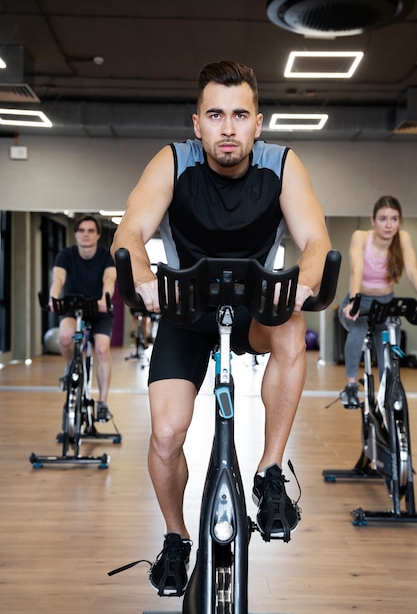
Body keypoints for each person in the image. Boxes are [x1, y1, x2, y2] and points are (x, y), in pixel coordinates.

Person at [111, 60, 331, 596]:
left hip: (255, 305)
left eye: (239, 114)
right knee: (166, 434)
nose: (227, 127)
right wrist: (141, 276)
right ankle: (176, 536)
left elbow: (316, 242)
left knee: (289, 326)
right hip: (186, 309)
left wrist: (303, 282)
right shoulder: (172, 162)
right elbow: (132, 228)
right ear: (197, 123)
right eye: (215, 115)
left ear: (259, 123)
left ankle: (270, 471)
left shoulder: (281, 164)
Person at [339, 196, 417, 409]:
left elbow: (412, 271)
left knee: (388, 343)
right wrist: (354, 301)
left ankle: (387, 388)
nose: (389, 224)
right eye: (383, 218)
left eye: (394, 219)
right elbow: (357, 269)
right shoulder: (361, 237)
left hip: (386, 303)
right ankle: (351, 386)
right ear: (373, 220)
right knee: (357, 331)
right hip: (360, 301)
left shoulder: (403, 238)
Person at [49, 214, 117, 422]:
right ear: (75, 234)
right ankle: (70, 367)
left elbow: (109, 279)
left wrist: (105, 299)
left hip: (99, 307)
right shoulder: (66, 255)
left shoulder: (106, 256)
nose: (85, 235)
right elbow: (58, 279)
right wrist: (53, 298)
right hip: (74, 305)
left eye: (90, 231)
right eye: (81, 231)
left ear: (97, 235)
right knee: (65, 337)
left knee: (102, 349)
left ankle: (103, 402)